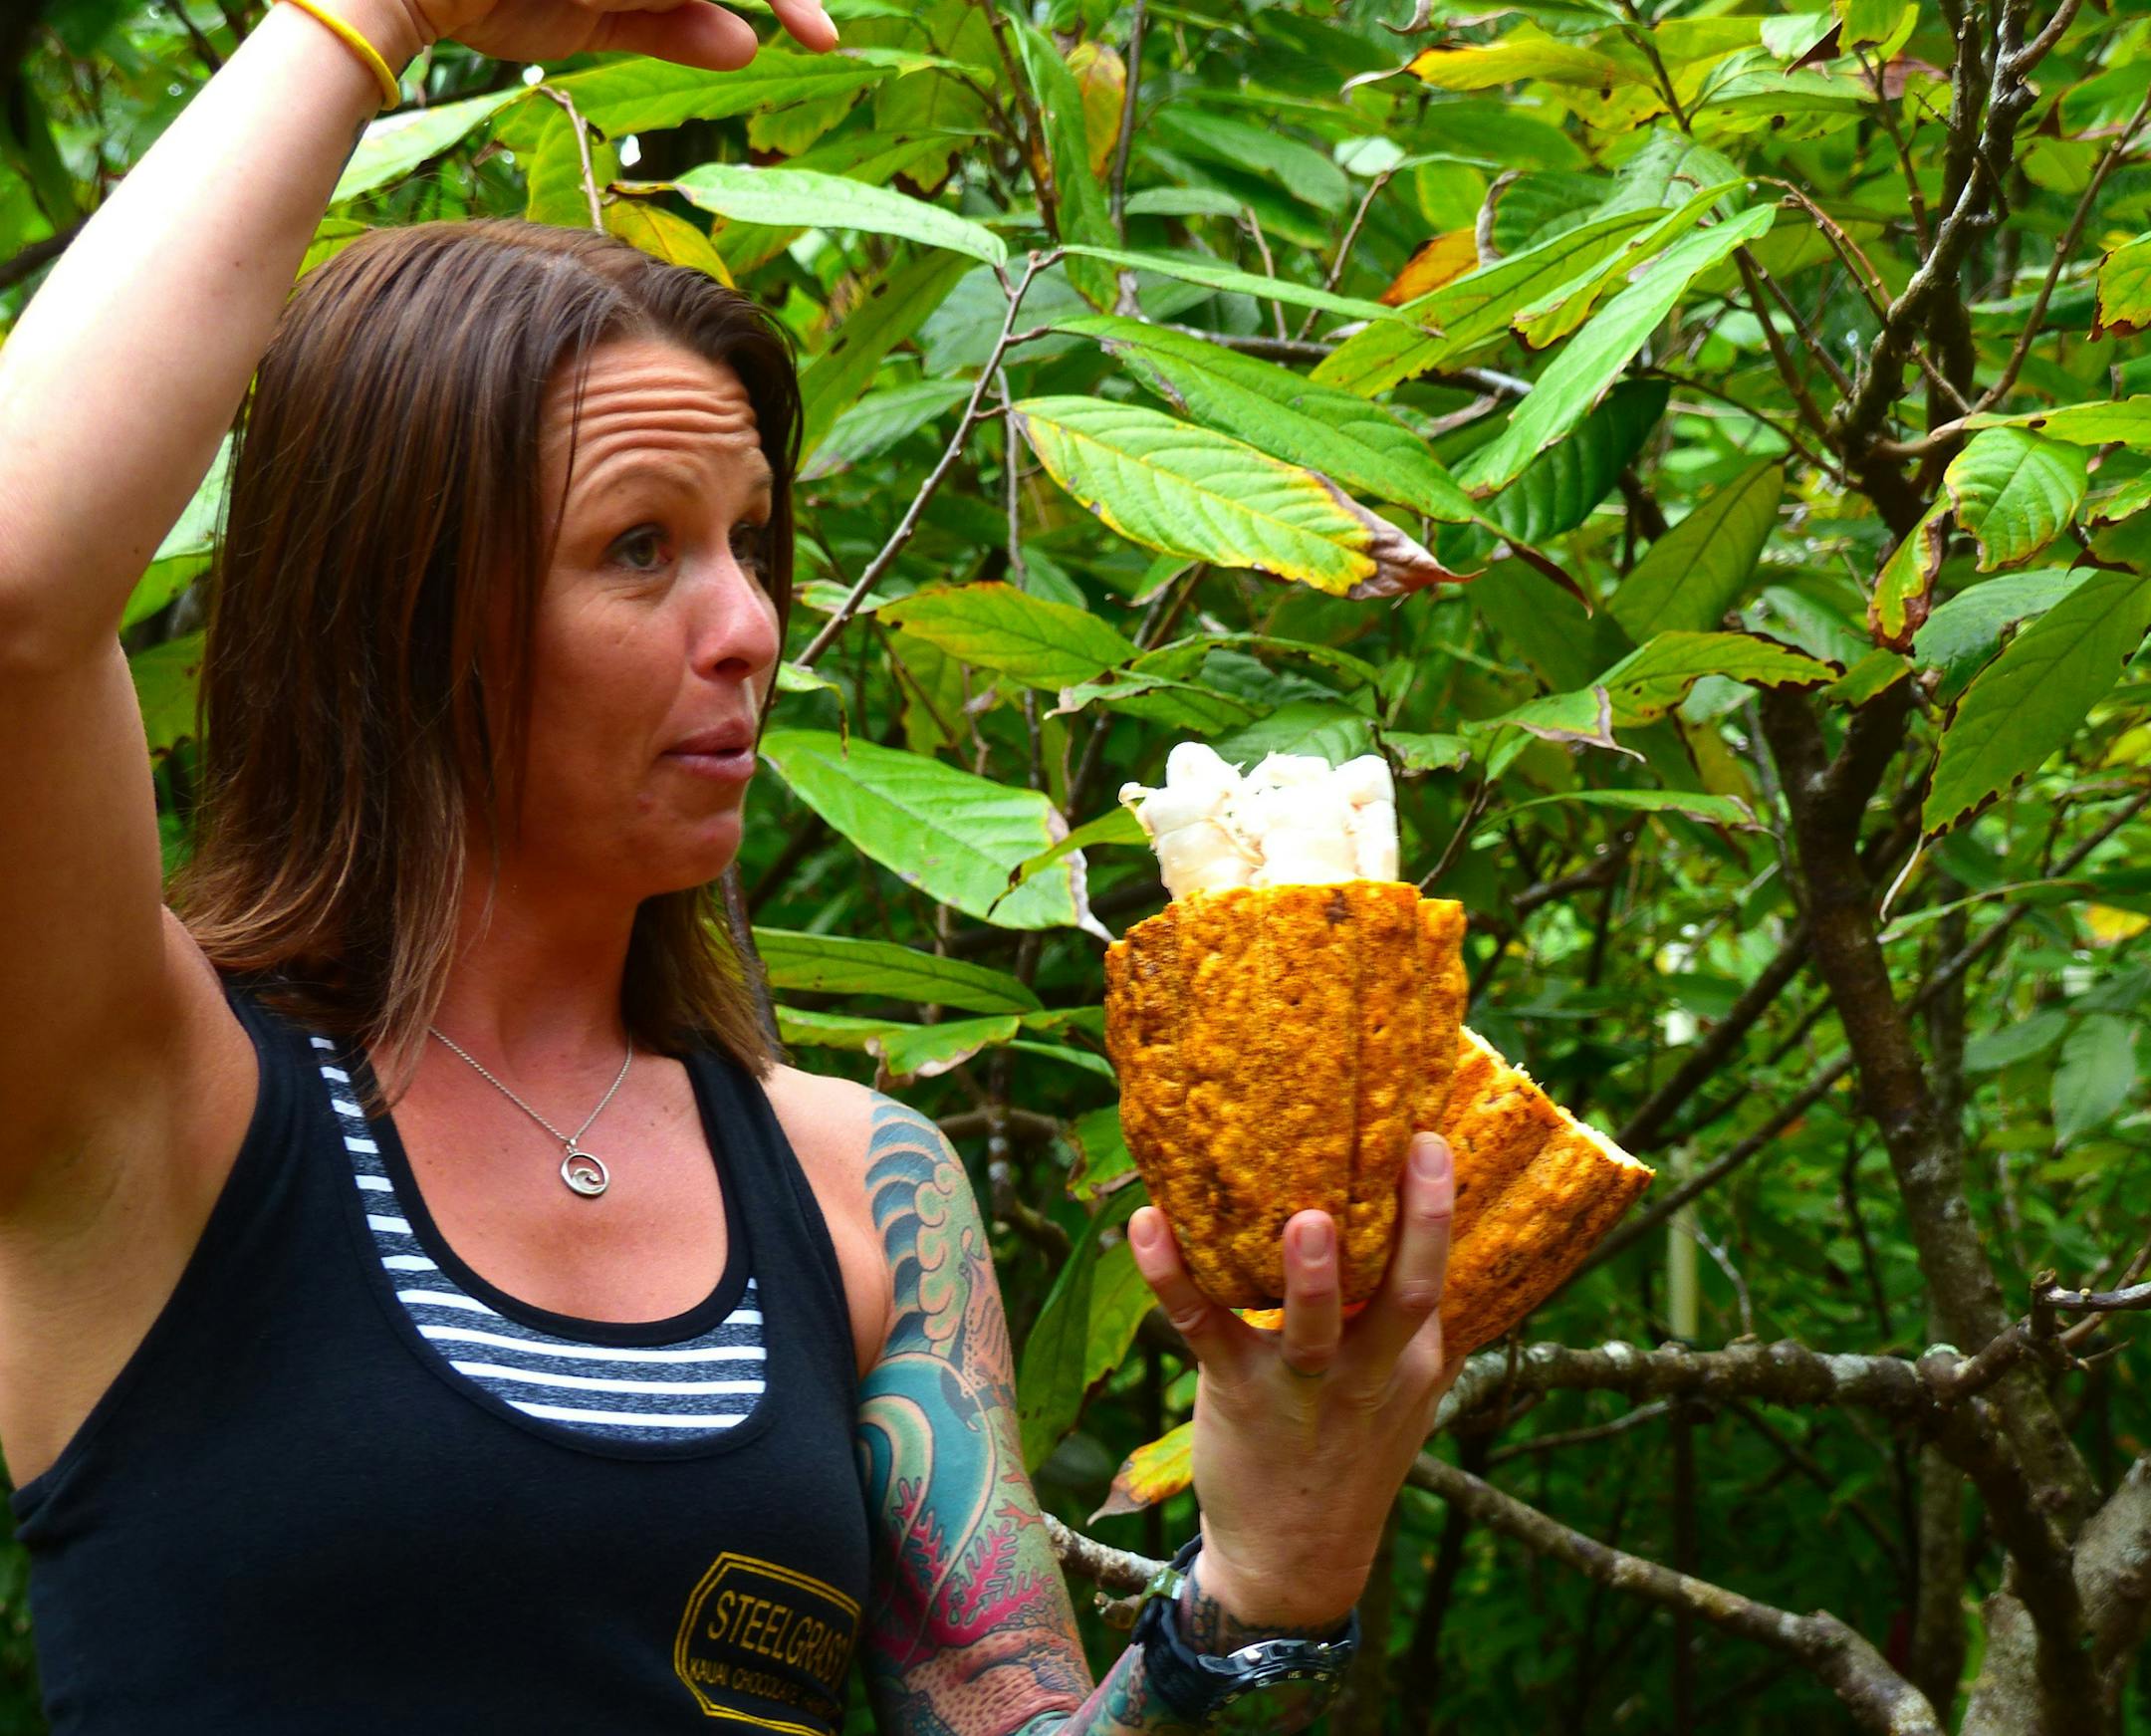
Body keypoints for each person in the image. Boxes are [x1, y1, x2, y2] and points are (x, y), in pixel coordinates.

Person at [0, 0, 1464, 1727]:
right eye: (640, 549)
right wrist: (370, 15)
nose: (751, 625)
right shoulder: (147, 1105)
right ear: (400, 610)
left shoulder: (859, 1190)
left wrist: (1266, 1588)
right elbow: (17, 591)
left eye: (750, 540)